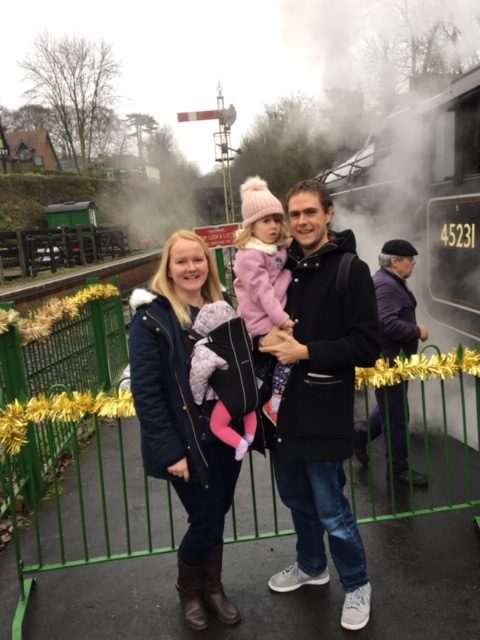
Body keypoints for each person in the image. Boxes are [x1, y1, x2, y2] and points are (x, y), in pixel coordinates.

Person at [260, 179, 380, 631]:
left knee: (332, 508)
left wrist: (306, 352)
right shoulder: (279, 269)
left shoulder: (352, 270)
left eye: (310, 212)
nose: (302, 221)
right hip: (281, 412)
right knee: (296, 500)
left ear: (328, 214)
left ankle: (357, 583)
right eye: (294, 214)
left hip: (324, 410)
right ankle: (311, 565)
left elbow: (367, 345)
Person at [128, 229, 242, 631]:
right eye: (182, 261)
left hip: (225, 434)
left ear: (208, 264)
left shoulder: (222, 304)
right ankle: (192, 591)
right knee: (207, 516)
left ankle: (213, 587)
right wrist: (170, 452)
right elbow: (147, 392)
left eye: (199, 259)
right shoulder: (151, 319)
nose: (192, 267)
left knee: (217, 511)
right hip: (186, 441)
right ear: (169, 269)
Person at [353, 239, 429, 487]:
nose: (413, 263)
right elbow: (385, 323)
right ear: (395, 262)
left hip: (394, 361)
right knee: (396, 416)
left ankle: (359, 433)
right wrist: (416, 331)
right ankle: (398, 470)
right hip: (388, 363)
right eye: (409, 259)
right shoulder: (386, 286)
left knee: (391, 409)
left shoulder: (390, 281)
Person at [233, 175, 294, 424]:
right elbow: (262, 292)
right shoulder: (249, 256)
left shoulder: (273, 249)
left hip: (271, 319)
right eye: (266, 221)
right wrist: (282, 318)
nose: (274, 226)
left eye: (277, 220)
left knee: (275, 366)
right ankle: (271, 406)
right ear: (251, 226)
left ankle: (265, 405)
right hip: (261, 321)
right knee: (285, 361)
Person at [189, 300, 257, 461]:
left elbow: (199, 375)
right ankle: (250, 436)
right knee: (249, 410)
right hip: (249, 392)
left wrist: (197, 399)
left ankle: (240, 443)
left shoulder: (207, 348)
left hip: (227, 397)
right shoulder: (244, 337)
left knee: (217, 426)